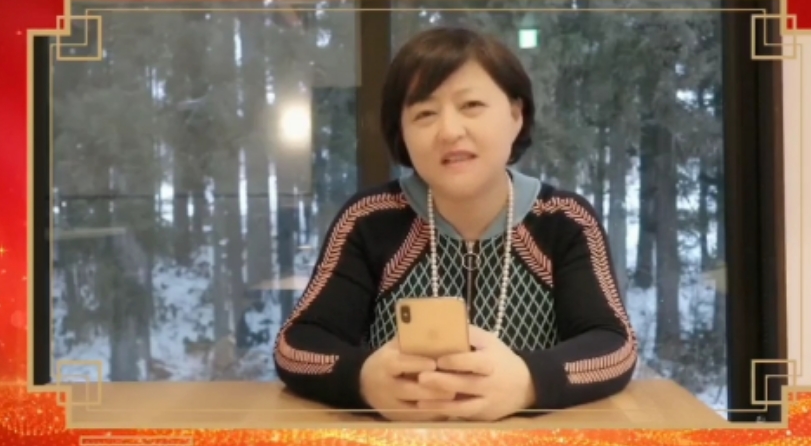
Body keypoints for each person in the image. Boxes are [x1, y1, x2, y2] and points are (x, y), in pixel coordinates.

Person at [273, 26, 638, 421]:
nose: (449, 131)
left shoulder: (565, 221)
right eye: (425, 113)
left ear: (516, 115)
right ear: (402, 133)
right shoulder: (369, 219)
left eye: (471, 105)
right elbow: (296, 346)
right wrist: (361, 378)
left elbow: (615, 347)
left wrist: (529, 382)